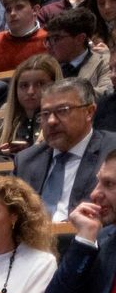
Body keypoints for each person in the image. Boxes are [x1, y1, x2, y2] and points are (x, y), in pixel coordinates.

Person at [15, 77, 115, 220]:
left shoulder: (111, 151)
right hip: (34, 240)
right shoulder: (26, 160)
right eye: (45, 114)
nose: (51, 121)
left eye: (62, 111)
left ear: (89, 112)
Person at [44, 148, 116, 293]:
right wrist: (85, 238)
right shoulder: (105, 240)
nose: (94, 194)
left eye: (109, 184)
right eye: (99, 182)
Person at [0, 52, 61, 153]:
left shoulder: (63, 125)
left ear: (55, 85)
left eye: (40, 84)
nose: (30, 92)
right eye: (24, 85)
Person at [0, 0, 50, 73]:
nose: (12, 13)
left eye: (19, 7)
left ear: (35, 10)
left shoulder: (49, 40)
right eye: (8, 10)